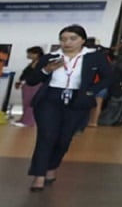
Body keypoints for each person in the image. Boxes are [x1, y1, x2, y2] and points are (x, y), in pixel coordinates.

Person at [25, 25, 113, 191]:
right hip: (49, 99)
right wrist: (45, 70)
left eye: (73, 39)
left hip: (77, 100)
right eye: (63, 39)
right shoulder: (51, 57)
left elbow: (108, 77)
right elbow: (31, 80)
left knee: (64, 139)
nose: (67, 43)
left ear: (83, 40)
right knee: (46, 136)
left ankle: (51, 167)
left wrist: (90, 92)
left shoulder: (94, 57)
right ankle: (39, 176)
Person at [13, 46, 47, 127]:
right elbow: (25, 74)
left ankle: (28, 121)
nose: (28, 55)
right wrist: (20, 81)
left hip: (35, 85)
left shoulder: (41, 63)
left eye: (30, 53)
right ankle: (23, 119)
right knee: (25, 102)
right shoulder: (32, 63)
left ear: (36, 54)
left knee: (30, 103)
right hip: (28, 84)